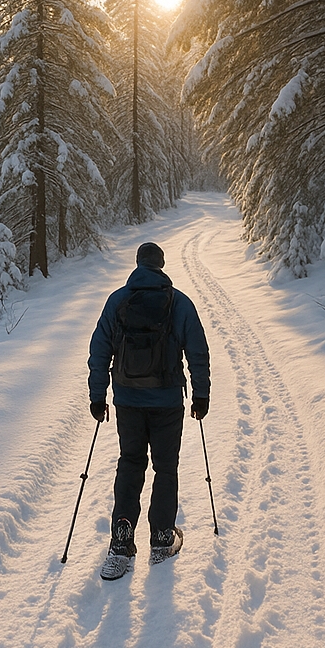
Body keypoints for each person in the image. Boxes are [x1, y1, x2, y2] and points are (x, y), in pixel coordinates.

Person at [87, 241, 210, 579]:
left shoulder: (117, 301)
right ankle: (160, 539)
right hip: (167, 401)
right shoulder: (179, 303)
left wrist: (98, 397)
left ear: (138, 264)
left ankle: (121, 544)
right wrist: (201, 395)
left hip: (127, 400)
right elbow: (198, 351)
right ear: (161, 266)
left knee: (130, 465)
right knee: (165, 468)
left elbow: (99, 352)